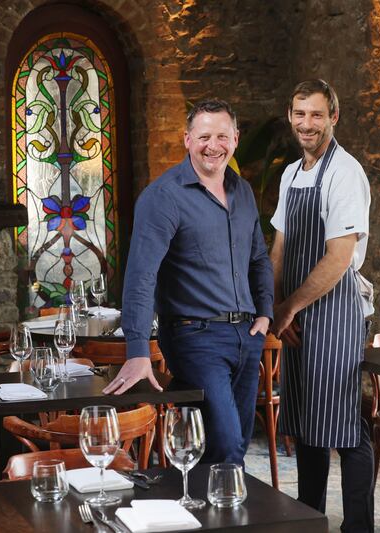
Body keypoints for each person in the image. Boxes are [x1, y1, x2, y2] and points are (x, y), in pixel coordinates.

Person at [105, 99, 274, 465]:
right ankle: (222, 515)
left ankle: (214, 513)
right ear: (186, 139)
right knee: (226, 442)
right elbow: (140, 275)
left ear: (236, 139)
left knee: (236, 443)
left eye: (222, 136)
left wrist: (264, 313)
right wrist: (137, 350)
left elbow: (258, 257)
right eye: (204, 137)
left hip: (247, 336)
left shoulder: (242, 191)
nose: (213, 145)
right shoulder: (162, 197)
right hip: (194, 337)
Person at [269, 79, 374, 531]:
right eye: (299, 113)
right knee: (308, 427)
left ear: (333, 117)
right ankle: (309, 520)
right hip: (295, 316)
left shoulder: (344, 173)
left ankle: (359, 527)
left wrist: (288, 307)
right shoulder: (291, 174)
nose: (306, 123)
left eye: (315, 114)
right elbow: (279, 248)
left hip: (335, 318)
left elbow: (339, 257)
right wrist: (274, 305)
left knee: (345, 427)